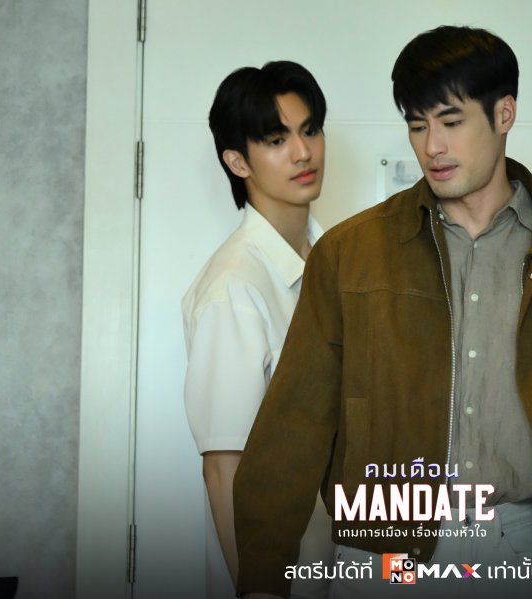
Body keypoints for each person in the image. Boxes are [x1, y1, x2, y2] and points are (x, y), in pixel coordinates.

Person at [234, 26, 532, 599]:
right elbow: (291, 431)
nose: (432, 146)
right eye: (417, 125)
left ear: (504, 114)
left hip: (515, 553)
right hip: (381, 557)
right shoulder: (348, 256)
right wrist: (262, 581)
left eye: (451, 121)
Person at [181, 60, 333, 599]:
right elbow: (225, 471)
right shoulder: (234, 288)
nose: (303, 152)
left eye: (310, 130)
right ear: (237, 160)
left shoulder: (335, 263)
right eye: (276, 139)